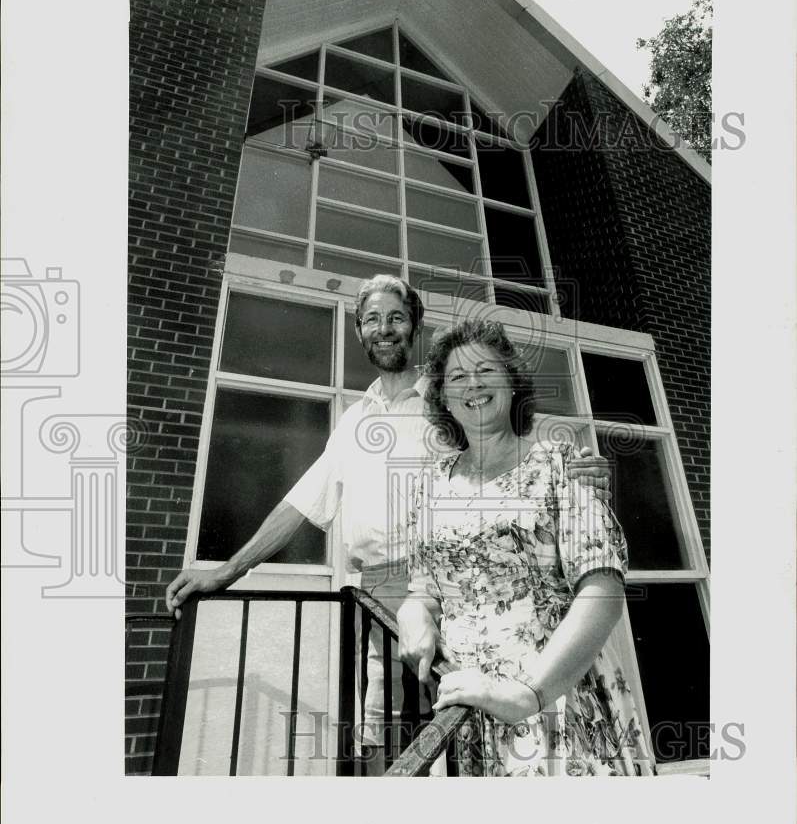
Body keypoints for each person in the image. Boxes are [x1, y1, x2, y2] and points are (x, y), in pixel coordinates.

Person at [166, 275, 612, 774]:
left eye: (396, 317)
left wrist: (576, 471)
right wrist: (227, 571)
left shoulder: (448, 399)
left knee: (452, 729)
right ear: (359, 332)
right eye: (373, 319)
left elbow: (512, 456)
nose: (385, 329)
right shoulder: (354, 421)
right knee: (376, 728)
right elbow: (300, 504)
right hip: (380, 594)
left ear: (414, 326)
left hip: (449, 593)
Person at [398, 318, 654, 776]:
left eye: (486, 371)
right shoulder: (426, 486)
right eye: (457, 377)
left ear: (513, 383)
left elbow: (603, 590)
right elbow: (424, 589)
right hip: (464, 708)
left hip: (551, 701)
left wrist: (527, 694)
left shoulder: (562, 465)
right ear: (441, 397)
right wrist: (413, 615)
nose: (472, 384)